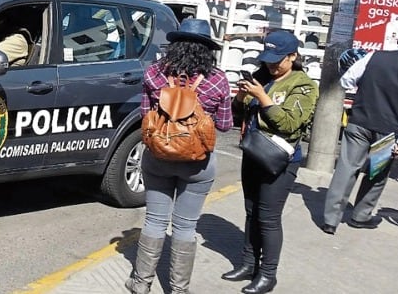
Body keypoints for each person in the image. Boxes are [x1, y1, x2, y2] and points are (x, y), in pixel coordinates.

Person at [125, 18, 232, 294]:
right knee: (185, 227)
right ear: (208, 49)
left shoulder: (154, 74)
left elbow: (144, 116)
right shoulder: (218, 80)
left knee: (154, 221)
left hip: (158, 157)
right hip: (198, 164)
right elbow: (224, 124)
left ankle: (141, 283)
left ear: (175, 46)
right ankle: (178, 289)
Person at [222, 30, 319, 294]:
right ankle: (248, 264)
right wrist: (241, 97)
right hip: (253, 153)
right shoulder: (261, 77)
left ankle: (268, 274)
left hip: (279, 160)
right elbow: (238, 115)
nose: (272, 65)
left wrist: (262, 97)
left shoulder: (304, 85)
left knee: (268, 217)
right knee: (251, 212)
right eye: (268, 59)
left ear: (293, 56)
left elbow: (288, 124)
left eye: (278, 60)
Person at [321, 48, 398, 234]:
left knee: (346, 168)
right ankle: (360, 216)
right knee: (376, 172)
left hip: (360, 120)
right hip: (389, 130)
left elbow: (346, 80)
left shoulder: (375, 56)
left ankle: (330, 221)